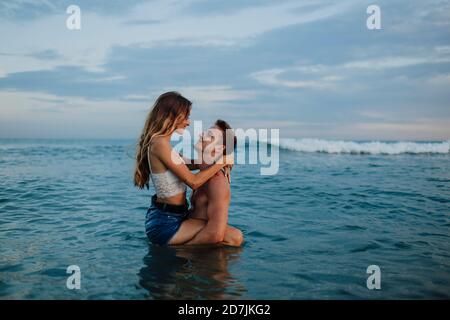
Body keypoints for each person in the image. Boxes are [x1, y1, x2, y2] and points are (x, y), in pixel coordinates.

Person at [134, 91, 241, 246]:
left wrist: (223, 161)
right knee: (234, 237)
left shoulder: (161, 144)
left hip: (172, 216)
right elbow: (193, 181)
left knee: (231, 236)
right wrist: (222, 161)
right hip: (166, 223)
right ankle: (183, 255)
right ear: (172, 115)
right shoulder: (160, 144)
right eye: (186, 116)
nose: (188, 122)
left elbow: (192, 164)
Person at [186, 120, 243, 246]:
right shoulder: (204, 170)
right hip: (198, 243)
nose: (202, 134)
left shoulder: (217, 181)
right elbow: (174, 160)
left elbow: (215, 234)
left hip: (206, 257)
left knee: (235, 236)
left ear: (219, 148)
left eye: (210, 136)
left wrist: (180, 254)